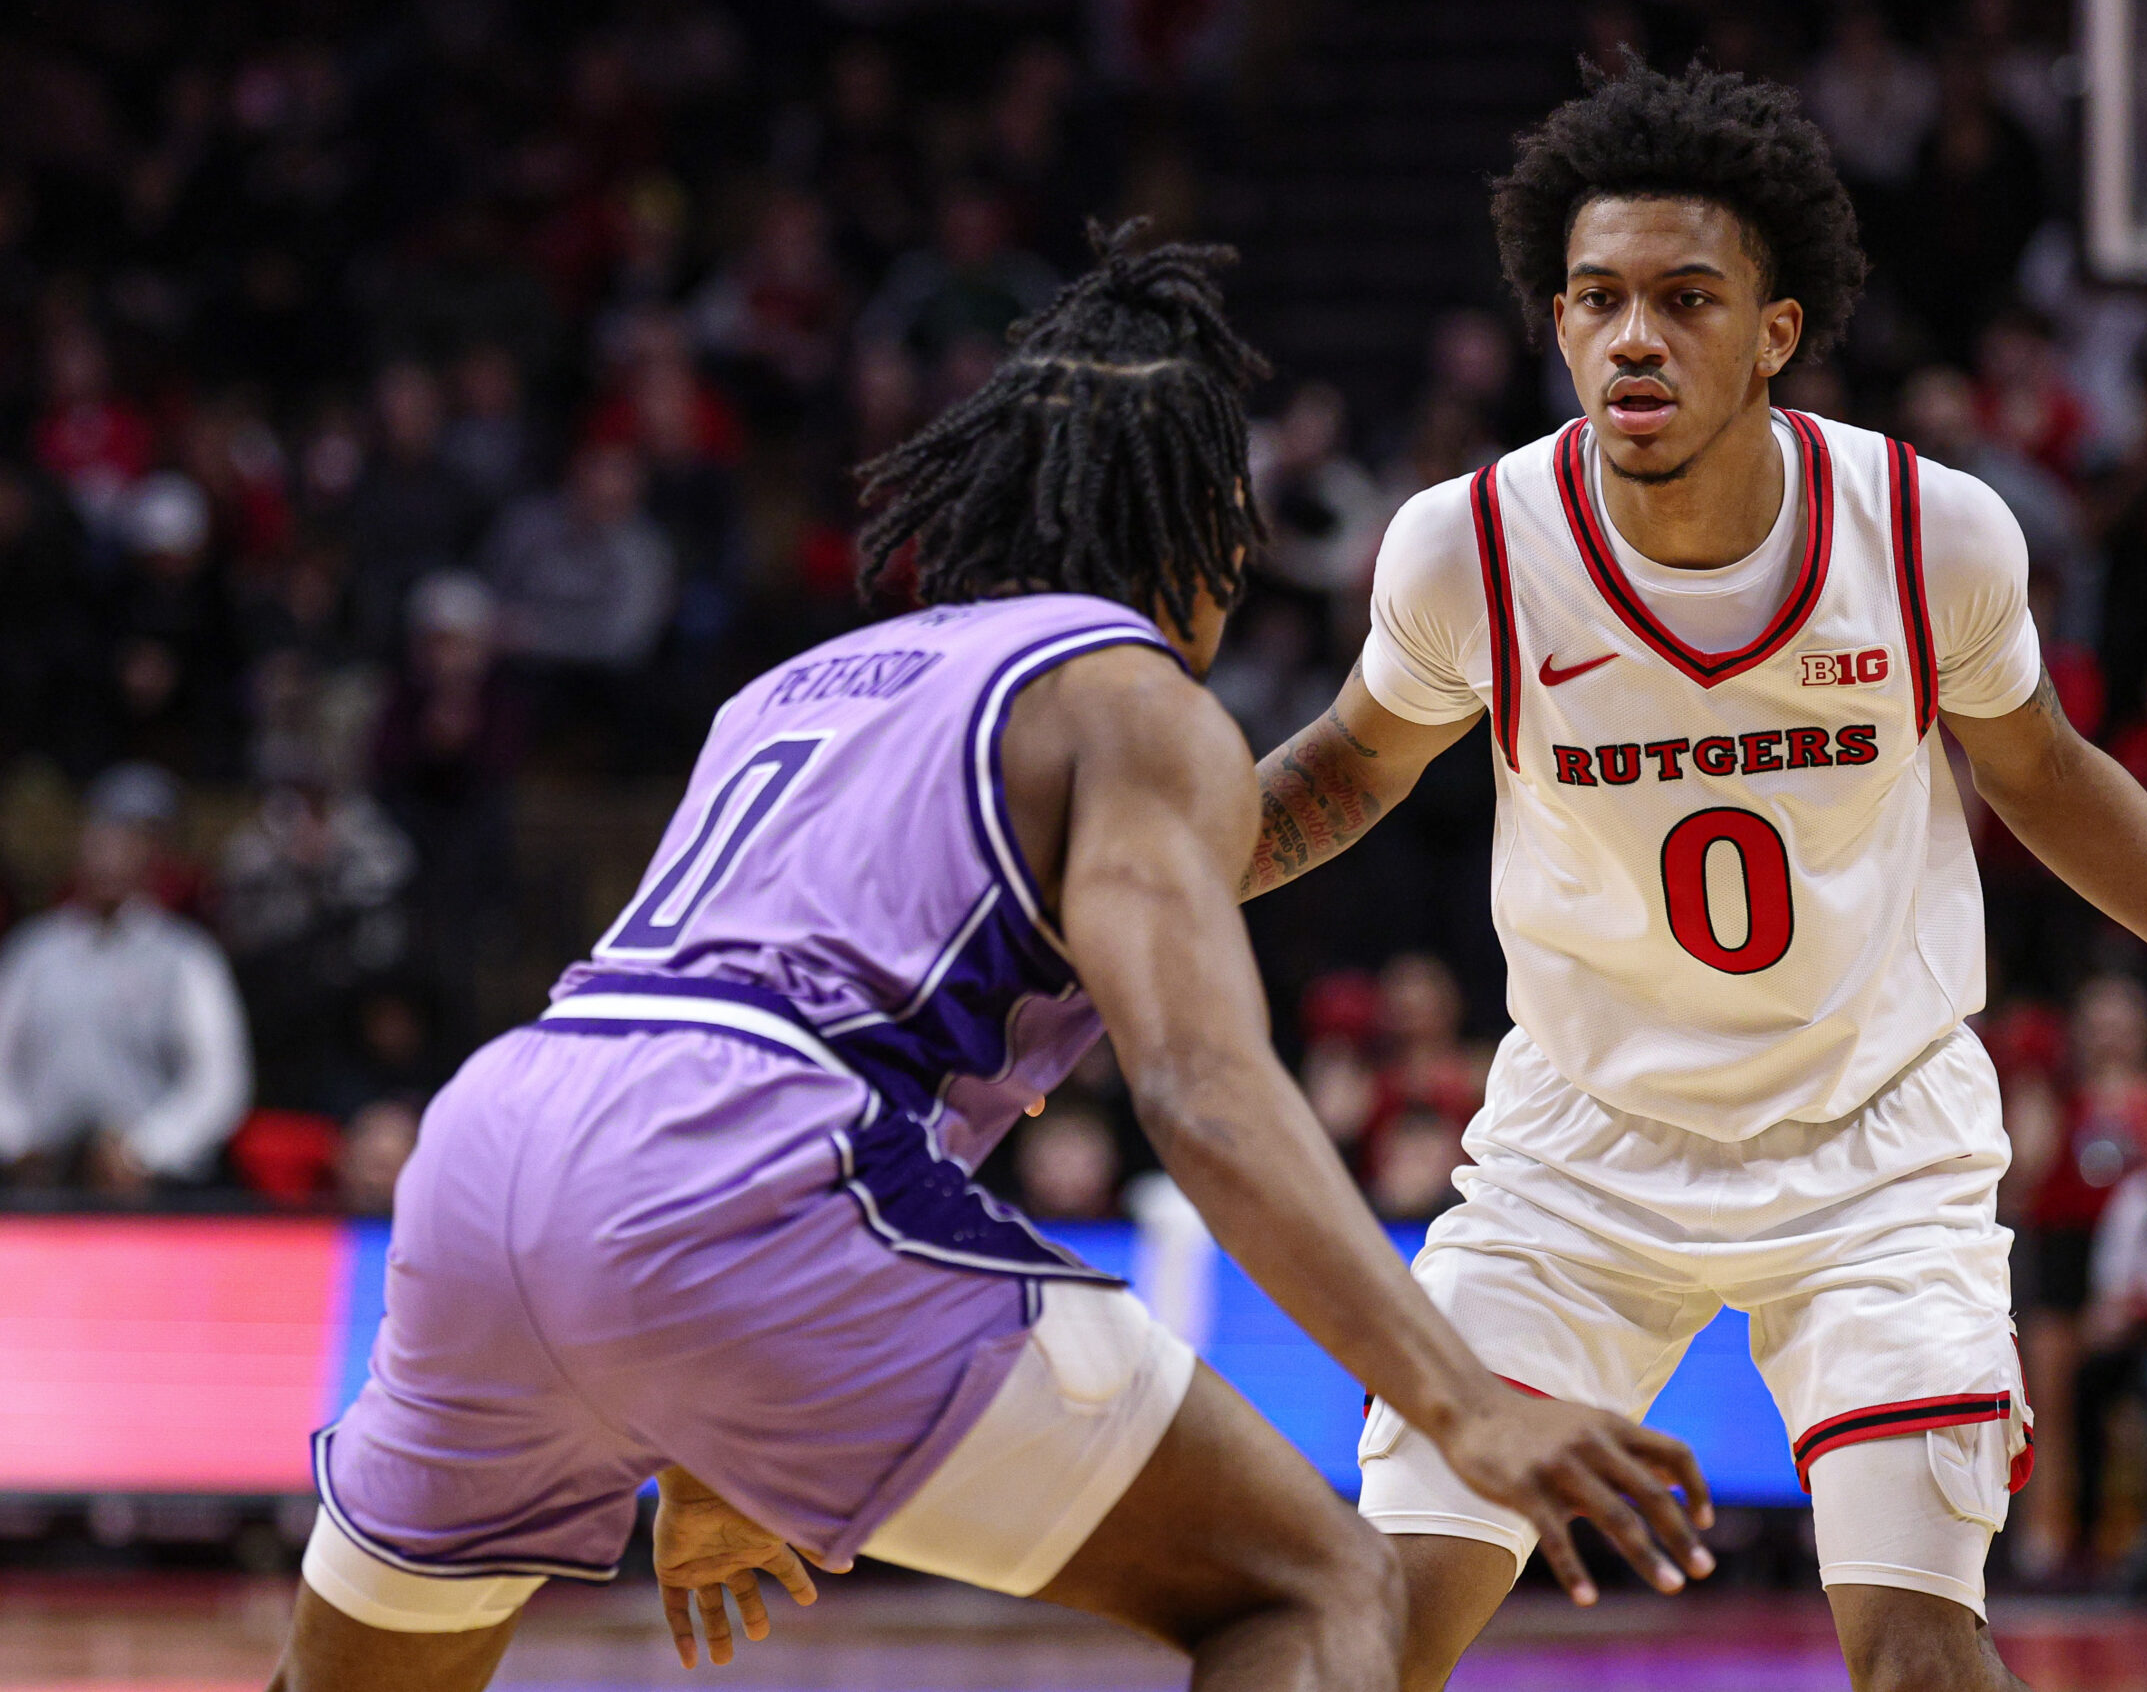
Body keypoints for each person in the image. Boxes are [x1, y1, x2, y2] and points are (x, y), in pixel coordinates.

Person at [269, 229, 1710, 1692]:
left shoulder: (797, 689)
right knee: (1317, 1589)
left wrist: (712, 1448)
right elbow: (1201, 1091)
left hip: (492, 1151)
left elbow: (743, 1028)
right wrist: (1464, 1404)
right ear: (1205, 531)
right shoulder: (1134, 701)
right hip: (749, 1179)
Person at [1241, 62, 2147, 1692]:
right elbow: (1349, 767)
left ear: (1776, 329)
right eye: (1597, 299)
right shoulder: (1469, 547)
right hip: (1580, 1153)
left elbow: (2046, 775)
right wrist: (1134, 890)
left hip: (1874, 1141)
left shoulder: (1929, 534)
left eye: (1685, 298)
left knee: (1921, 1651)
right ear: (1556, 321)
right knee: (1368, 1636)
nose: (1633, 338)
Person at [0, 766, 252, 1197]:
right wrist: (20, 1142)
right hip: (38, 1182)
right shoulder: (33, 952)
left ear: (151, 859)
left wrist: (146, 1150)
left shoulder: (186, 955)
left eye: (127, 845)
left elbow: (219, 1082)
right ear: (79, 848)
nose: (111, 857)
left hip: (147, 1190)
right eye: (101, 842)